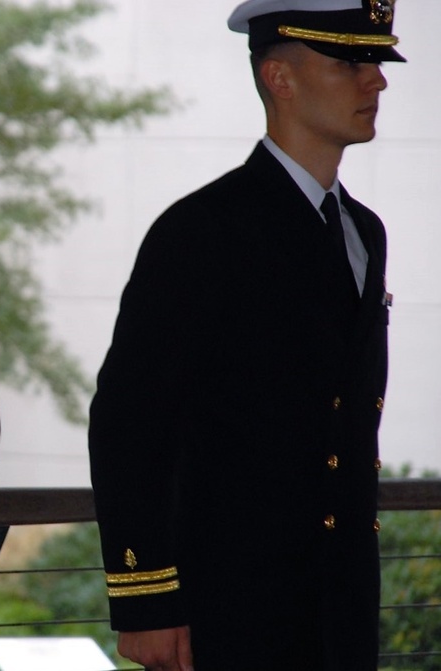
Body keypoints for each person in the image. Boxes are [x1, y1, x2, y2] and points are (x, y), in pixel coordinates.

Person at [87, 1, 402, 669]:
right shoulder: (202, 231)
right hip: (229, 608)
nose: (375, 80)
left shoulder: (363, 233)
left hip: (338, 605)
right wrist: (148, 600)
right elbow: (128, 422)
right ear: (279, 78)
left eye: (375, 61)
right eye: (350, 61)